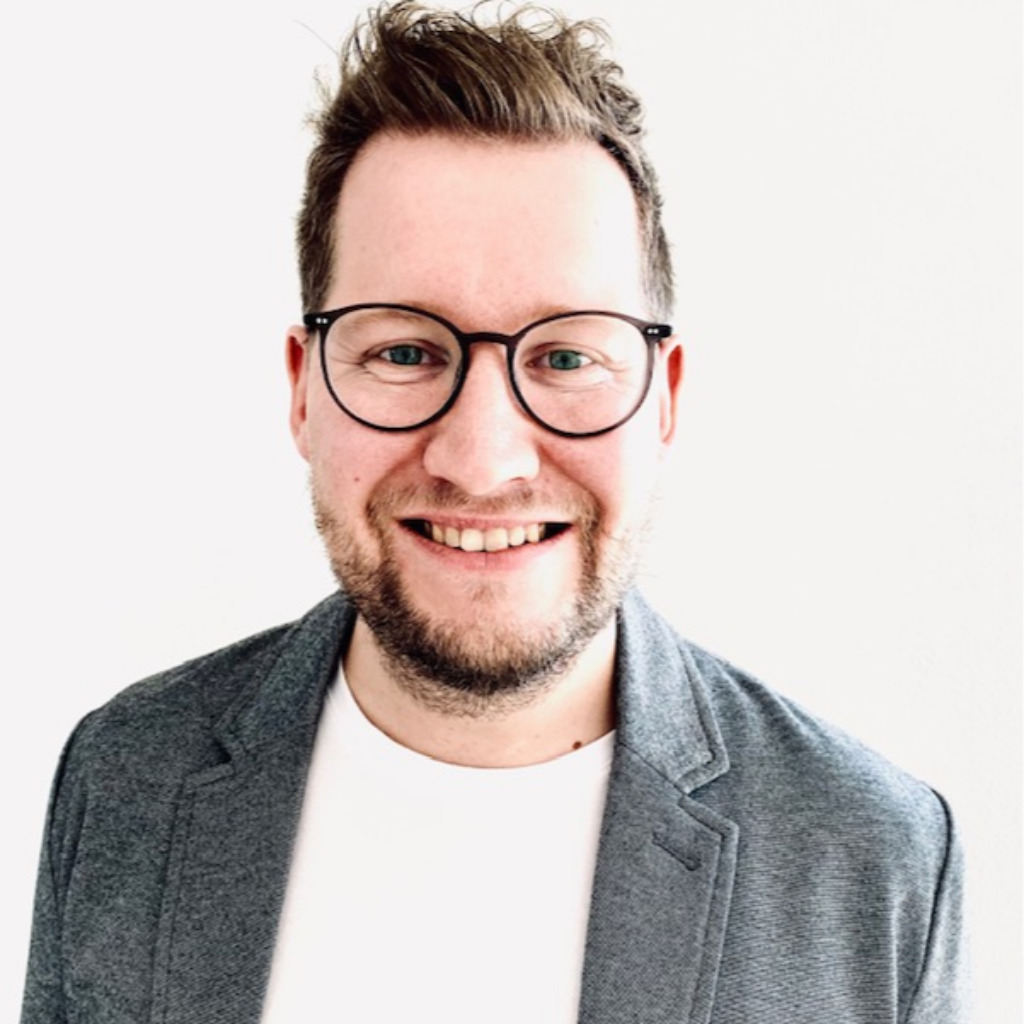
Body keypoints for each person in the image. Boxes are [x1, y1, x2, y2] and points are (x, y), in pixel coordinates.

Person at [20, 3, 968, 1021]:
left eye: (565, 356)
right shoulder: (125, 777)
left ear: (663, 400)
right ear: (303, 389)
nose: (481, 462)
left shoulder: (871, 860)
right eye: (403, 351)